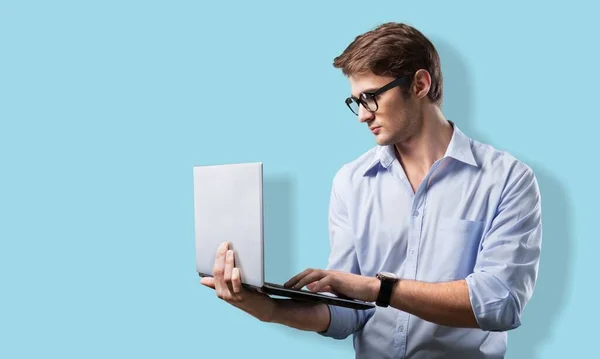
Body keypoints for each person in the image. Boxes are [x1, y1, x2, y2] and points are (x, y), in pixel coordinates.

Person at [200, 22, 542, 359]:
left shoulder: (507, 179)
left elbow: (500, 303)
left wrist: (381, 289)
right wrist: (268, 309)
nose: (362, 116)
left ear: (420, 84)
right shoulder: (351, 181)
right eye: (356, 101)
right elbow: (351, 310)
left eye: (371, 97)